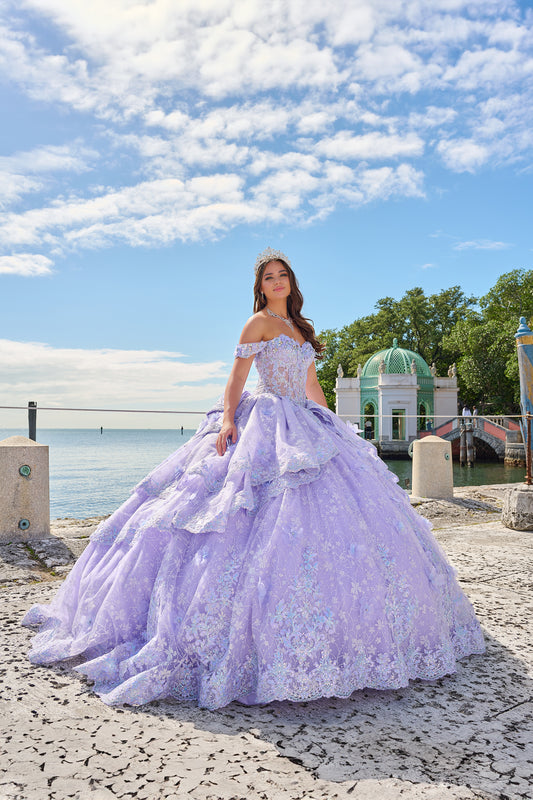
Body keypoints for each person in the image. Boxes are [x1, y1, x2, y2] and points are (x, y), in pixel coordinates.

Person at [22, 248, 485, 710]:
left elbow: (312, 385)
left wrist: (332, 423)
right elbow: (236, 378)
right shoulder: (258, 323)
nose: (277, 281)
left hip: (304, 419)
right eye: (269, 276)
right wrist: (227, 420)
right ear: (260, 285)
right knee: (237, 510)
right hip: (264, 418)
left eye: (283, 274)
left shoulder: (303, 329)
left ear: (292, 281)